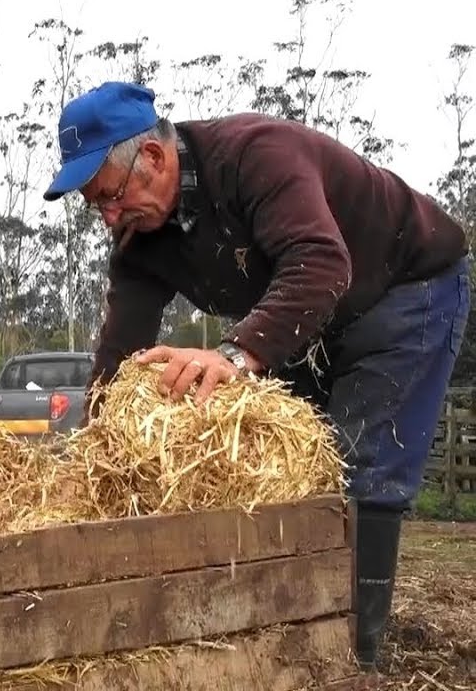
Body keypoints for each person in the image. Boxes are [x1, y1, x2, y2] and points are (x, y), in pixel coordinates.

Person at [41, 80, 470, 670]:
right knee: (282, 466)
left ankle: (351, 660)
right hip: (315, 315)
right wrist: (92, 451)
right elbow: (119, 351)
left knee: (360, 467)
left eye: (110, 195)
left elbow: (321, 262)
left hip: (405, 288)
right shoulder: (141, 239)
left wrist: (236, 355)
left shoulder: (254, 155)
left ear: (155, 158)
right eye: (96, 205)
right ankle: (287, 625)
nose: (109, 216)